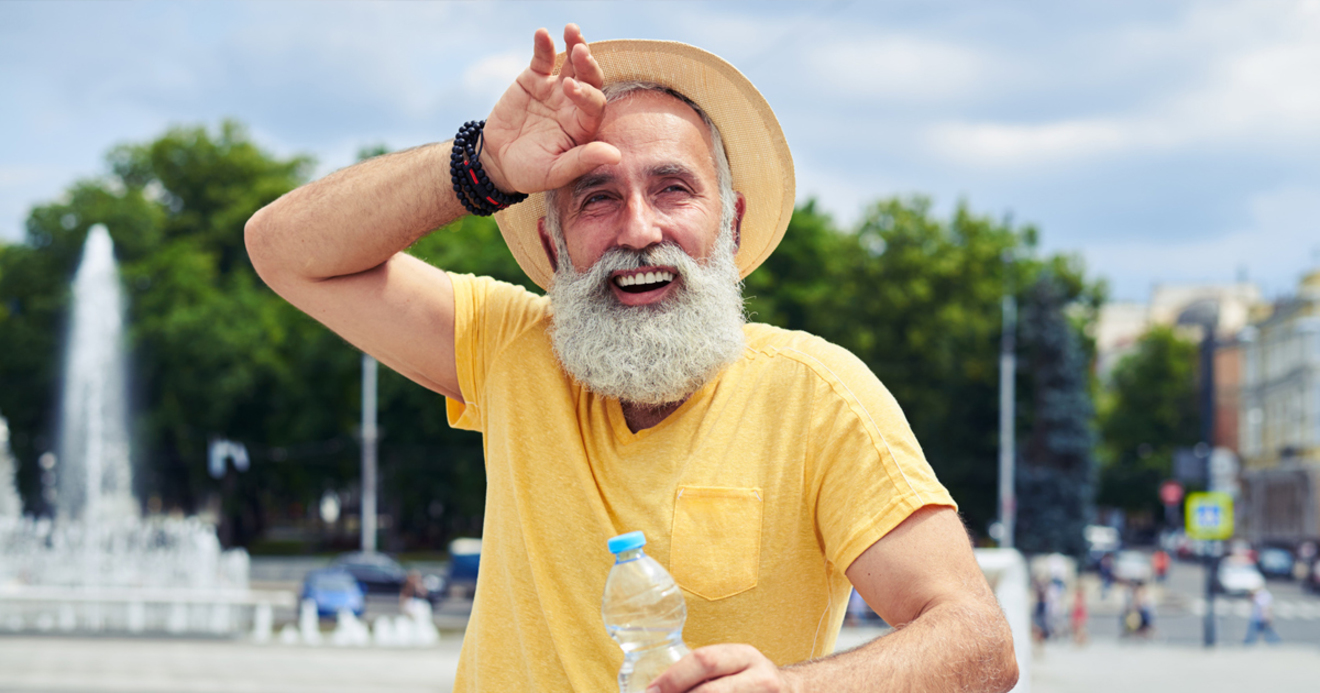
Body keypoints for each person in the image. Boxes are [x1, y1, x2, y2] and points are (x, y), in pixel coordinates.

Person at [245, 24, 1017, 693]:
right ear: (553, 243)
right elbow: (283, 250)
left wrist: (793, 686)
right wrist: (482, 163)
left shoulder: (816, 395)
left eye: (673, 188)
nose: (639, 229)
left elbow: (977, 639)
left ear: (731, 225)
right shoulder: (513, 349)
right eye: (596, 196)